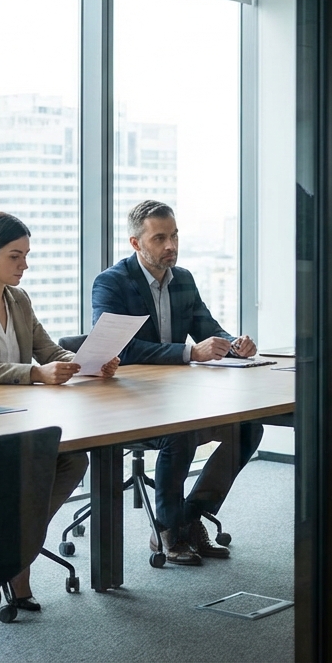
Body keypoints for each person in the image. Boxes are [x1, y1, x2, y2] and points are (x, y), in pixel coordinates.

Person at [0, 211, 119, 612]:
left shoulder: (18, 300)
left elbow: (49, 351)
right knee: (27, 468)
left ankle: (9, 549)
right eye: (15, 256)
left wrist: (88, 363)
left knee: (72, 460)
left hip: (14, 416)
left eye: (26, 256)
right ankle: (16, 566)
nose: (24, 265)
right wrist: (34, 373)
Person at [91, 200, 265, 566]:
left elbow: (207, 328)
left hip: (176, 395)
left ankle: (191, 515)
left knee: (248, 427)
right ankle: (167, 529)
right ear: (136, 243)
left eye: (174, 236)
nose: (170, 246)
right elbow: (122, 348)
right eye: (159, 238)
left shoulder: (182, 278)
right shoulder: (112, 282)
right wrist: (189, 353)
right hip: (128, 399)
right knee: (180, 431)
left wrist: (234, 345)